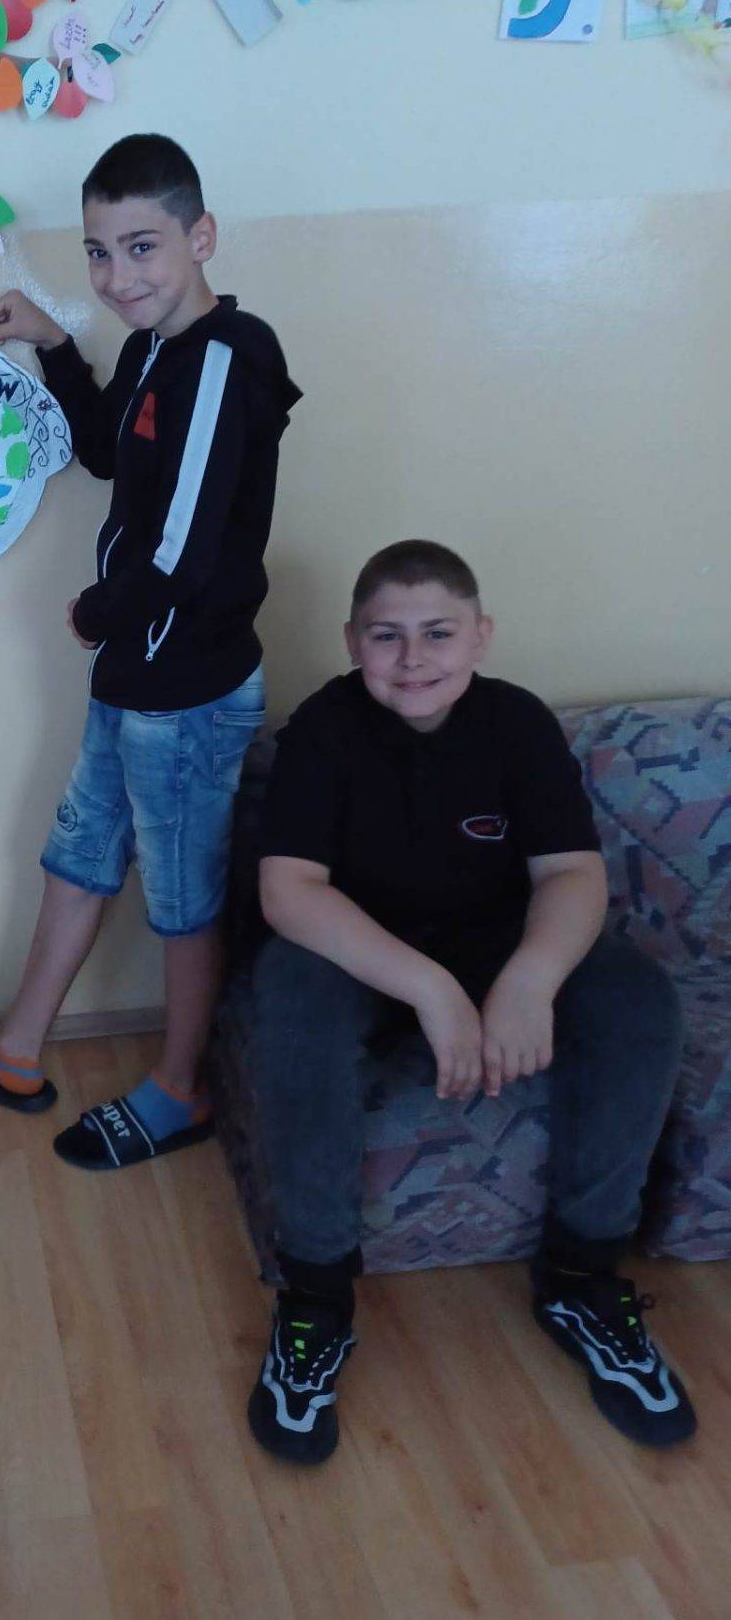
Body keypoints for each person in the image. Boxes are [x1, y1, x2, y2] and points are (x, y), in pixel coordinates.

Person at [245, 541, 696, 1464]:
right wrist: (433, 990)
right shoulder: (322, 730)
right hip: (362, 953)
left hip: (499, 943)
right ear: (353, 641)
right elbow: (289, 893)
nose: (413, 659)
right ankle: (316, 1298)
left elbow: (571, 874)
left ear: (481, 636)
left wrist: (529, 982)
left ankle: (580, 1277)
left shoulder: (517, 723)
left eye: (438, 633)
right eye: (388, 636)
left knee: (638, 1000)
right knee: (288, 996)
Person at [0, 133, 300, 1169]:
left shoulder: (229, 355)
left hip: (185, 687)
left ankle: (181, 1090)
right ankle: (15, 1052)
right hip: (134, 673)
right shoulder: (150, 350)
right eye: (98, 252)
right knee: (80, 858)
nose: (119, 276)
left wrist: (99, 612)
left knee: (182, 901)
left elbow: (183, 546)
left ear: (200, 237)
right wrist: (53, 342)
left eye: (142, 248)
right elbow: (104, 453)